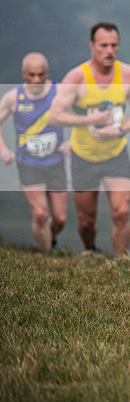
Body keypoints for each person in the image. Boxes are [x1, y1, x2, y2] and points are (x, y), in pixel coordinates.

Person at [50, 22, 130, 257]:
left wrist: (120, 130)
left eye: (114, 45)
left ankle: (122, 262)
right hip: (84, 157)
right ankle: (90, 250)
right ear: (92, 46)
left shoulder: (129, 74)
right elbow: (55, 115)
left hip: (116, 154)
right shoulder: (76, 77)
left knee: (122, 212)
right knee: (86, 221)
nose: (109, 51)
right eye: (104, 46)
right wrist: (89, 120)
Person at [0, 52, 69, 252]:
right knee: (40, 213)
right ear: (24, 74)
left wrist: (73, 141)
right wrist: (3, 149)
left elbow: (82, 115)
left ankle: (48, 239)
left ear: (47, 72)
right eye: (32, 75)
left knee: (60, 218)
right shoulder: (13, 97)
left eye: (41, 74)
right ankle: (47, 258)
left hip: (55, 163)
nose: (37, 80)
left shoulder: (59, 92)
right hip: (29, 165)